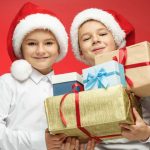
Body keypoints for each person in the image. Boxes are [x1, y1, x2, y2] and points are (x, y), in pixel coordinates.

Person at [0, 2, 96, 150]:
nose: (40, 50)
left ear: (59, 48)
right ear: (20, 48)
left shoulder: (70, 87)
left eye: (48, 43)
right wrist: (39, 141)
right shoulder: (7, 83)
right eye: (32, 44)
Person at [70, 8, 150, 149]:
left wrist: (146, 134)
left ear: (117, 40)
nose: (95, 40)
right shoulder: (77, 86)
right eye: (86, 38)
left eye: (102, 34)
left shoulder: (141, 73)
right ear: (80, 52)